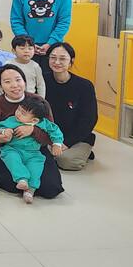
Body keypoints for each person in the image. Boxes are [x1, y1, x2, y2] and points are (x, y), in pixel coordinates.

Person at [0, 64, 64, 199]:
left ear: (24, 81)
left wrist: (33, 130)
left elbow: (51, 133)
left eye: (18, 80)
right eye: (7, 82)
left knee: (51, 188)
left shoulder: (39, 102)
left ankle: (30, 187)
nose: (14, 85)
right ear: (0, 86)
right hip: (10, 149)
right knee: (9, 184)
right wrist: (0, 137)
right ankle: (24, 181)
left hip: (35, 149)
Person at [0, 96, 64, 204]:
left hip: (33, 152)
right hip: (13, 149)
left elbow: (55, 131)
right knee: (12, 159)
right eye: (18, 110)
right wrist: (4, 131)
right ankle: (22, 179)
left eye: (23, 113)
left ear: (34, 120)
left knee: (36, 167)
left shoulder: (43, 123)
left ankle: (30, 190)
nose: (18, 114)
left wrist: (57, 144)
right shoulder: (12, 120)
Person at [10, 0, 72, 72]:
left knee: (52, 79)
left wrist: (50, 43)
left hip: (54, 47)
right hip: (27, 48)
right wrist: (29, 44)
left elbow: (64, 21)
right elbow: (16, 21)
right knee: (27, 78)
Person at [45, 42, 98, 171]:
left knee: (66, 161)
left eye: (62, 58)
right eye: (53, 58)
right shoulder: (42, 81)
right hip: (50, 135)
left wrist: (67, 143)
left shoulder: (84, 86)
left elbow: (89, 119)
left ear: (71, 61)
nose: (57, 62)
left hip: (76, 136)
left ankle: (82, 151)